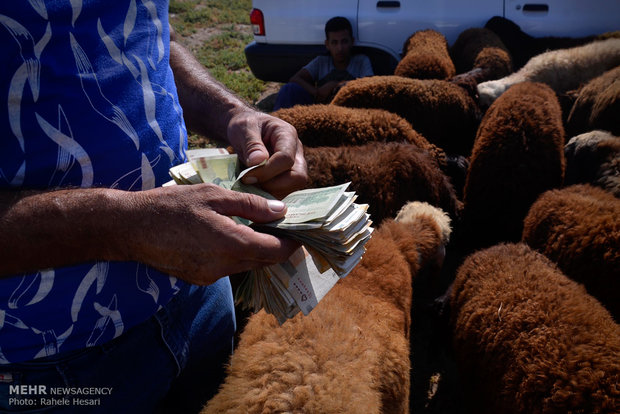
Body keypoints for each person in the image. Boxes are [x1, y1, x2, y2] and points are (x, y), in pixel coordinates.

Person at [0, 1, 306, 413]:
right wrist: (129, 227)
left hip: (201, 300)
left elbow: (150, 36)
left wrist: (231, 112)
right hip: (49, 362)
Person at [272, 16, 374, 110]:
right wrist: (316, 91)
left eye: (344, 41)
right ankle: (277, 127)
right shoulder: (322, 62)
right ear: (327, 44)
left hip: (350, 113)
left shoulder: (361, 61)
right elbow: (295, 79)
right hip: (321, 113)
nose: (340, 48)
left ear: (352, 41)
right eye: (334, 42)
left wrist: (335, 86)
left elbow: (369, 85)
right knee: (289, 89)